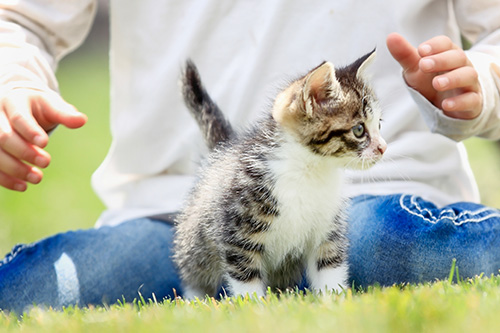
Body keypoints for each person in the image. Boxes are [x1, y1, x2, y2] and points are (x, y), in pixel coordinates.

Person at [0, 0, 499, 314]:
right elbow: (18, 18)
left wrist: (482, 81)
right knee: (24, 294)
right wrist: (13, 82)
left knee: (385, 246)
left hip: (375, 197)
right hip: (166, 213)